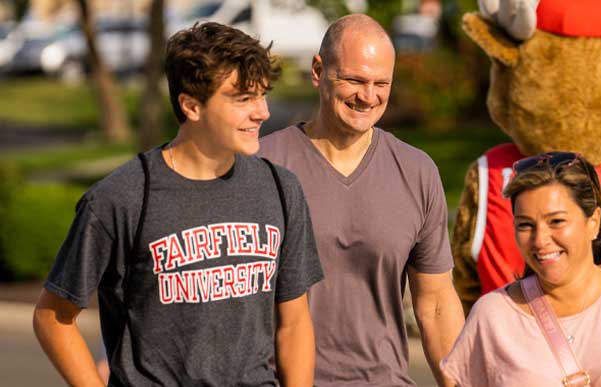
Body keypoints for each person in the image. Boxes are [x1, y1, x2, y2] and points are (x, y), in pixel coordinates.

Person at [33, 22, 323, 387]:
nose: (262, 112)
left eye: (263, 95)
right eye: (243, 98)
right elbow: (53, 317)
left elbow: (294, 323)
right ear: (191, 105)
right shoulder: (119, 199)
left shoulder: (281, 189)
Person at [259, 14, 465, 387]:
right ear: (319, 71)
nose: (368, 96)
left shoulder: (417, 171)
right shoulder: (263, 166)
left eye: (380, 83)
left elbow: (435, 304)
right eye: (354, 80)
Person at [442, 152, 601, 386]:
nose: (540, 240)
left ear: (593, 222)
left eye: (556, 221)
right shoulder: (493, 316)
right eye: (525, 225)